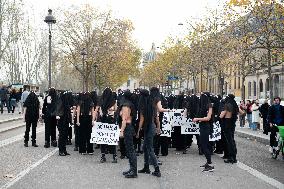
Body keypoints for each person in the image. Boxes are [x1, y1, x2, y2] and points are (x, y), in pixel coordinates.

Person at [137, 88, 169, 177]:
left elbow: (141, 120)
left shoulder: (142, 106)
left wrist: (138, 130)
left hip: (147, 128)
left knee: (149, 148)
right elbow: (157, 118)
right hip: (152, 127)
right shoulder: (152, 105)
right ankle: (146, 167)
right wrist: (158, 127)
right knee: (146, 148)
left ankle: (157, 169)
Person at [193, 93, 214, 172]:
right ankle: (208, 163)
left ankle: (210, 164)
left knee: (204, 146)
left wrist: (197, 118)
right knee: (203, 145)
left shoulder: (209, 106)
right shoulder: (203, 107)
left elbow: (208, 118)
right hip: (202, 127)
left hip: (206, 127)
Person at [220, 94, 243, 164]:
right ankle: (234, 157)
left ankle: (230, 158)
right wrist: (234, 116)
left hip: (227, 124)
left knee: (229, 141)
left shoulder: (227, 105)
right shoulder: (235, 105)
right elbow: (242, 113)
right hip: (232, 124)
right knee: (232, 140)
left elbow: (221, 116)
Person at [119, 91, 138, 178]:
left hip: (127, 127)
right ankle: (132, 169)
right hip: (130, 127)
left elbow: (124, 119)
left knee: (130, 150)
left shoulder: (126, 106)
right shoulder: (131, 104)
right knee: (130, 149)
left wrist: (121, 131)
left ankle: (134, 171)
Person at [99, 88, 118, 163]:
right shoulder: (113, 101)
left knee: (103, 138)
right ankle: (114, 156)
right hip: (111, 121)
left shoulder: (102, 101)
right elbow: (116, 110)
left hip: (103, 120)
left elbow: (100, 112)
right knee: (111, 138)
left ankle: (103, 156)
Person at [56, 92, 72, 156]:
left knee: (65, 136)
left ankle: (64, 150)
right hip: (61, 121)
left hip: (66, 121)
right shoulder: (60, 103)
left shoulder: (66, 103)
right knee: (62, 136)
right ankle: (61, 150)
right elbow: (58, 111)